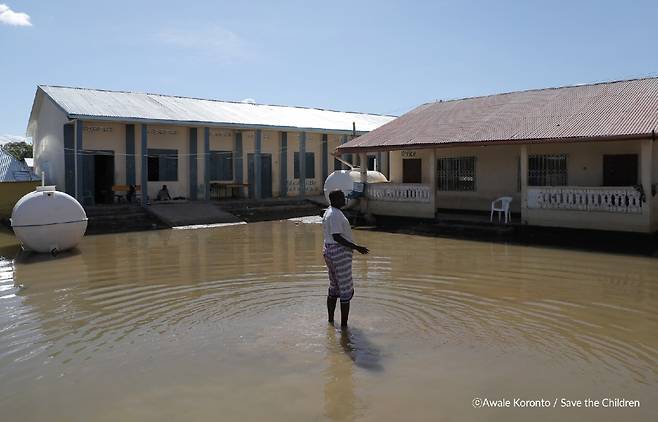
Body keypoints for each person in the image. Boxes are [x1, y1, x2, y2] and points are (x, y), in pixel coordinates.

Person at [323, 190, 369, 328]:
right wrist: (356, 247)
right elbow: (337, 236)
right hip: (339, 253)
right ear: (335, 199)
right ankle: (344, 327)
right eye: (342, 197)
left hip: (329, 250)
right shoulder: (335, 214)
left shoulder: (329, 212)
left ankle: (331, 321)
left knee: (334, 287)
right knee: (345, 290)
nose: (345, 199)